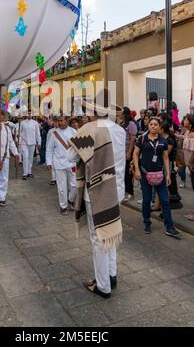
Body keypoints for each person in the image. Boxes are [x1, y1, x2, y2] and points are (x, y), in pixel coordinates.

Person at [68, 89, 126, 299]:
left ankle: (102, 285)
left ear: (93, 110)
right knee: (110, 232)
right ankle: (111, 275)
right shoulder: (120, 130)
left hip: (96, 190)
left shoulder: (89, 129)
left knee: (98, 237)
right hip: (116, 189)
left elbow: (70, 157)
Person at [133, 117, 180, 238]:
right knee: (147, 200)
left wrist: (168, 174)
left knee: (165, 201)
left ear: (159, 127)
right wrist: (137, 170)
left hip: (160, 175)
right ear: (148, 126)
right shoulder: (142, 139)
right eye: (151, 124)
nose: (153, 126)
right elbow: (136, 154)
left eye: (155, 125)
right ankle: (147, 222)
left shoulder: (163, 141)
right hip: (145, 174)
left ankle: (169, 227)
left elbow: (165, 157)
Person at [46, 116, 77, 215]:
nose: (60, 123)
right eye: (58, 121)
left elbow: (78, 147)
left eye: (62, 120)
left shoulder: (73, 132)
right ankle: (63, 206)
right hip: (59, 164)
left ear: (67, 121)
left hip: (72, 163)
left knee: (75, 185)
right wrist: (49, 162)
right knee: (62, 187)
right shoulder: (54, 133)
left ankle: (71, 200)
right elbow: (49, 149)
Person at [159, 121, 182, 209]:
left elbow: (166, 153)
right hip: (163, 162)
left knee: (171, 180)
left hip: (169, 163)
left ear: (162, 129)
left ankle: (174, 199)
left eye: (158, 127)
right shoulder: (161, 138)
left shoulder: (169, 140)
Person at [120, 107, 138, 202]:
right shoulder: (122, 123)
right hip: (121, 151)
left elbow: (133, 139)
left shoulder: (131, 124)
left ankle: (130, 192)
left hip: (128, 150)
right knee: (123, 172)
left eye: (121, 113)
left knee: (128, 172)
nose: (120, 114)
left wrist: (129, 152)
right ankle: (124, 191)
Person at [19, 110, 41, 180]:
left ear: (32, 115)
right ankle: (25, 173)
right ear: (26, 114)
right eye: (28, 113)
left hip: (32, 142)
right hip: (24, 142)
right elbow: (20, 132)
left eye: (30, 113)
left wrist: (39, 142)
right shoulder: (22, 123)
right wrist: (19, 141)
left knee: (30, 158)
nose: (29, 115)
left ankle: (29, 172)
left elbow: (37, 133)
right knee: (25, 157)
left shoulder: (35, 123)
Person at [46, 117, 58, 185]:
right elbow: (48, 141)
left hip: (59, 150)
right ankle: (54, 178)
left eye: (57, 122)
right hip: (52, 149)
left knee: (57, 164)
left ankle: (58, 178)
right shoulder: (50, 131)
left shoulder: (61, 130)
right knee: (53, 164)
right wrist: (48, 149)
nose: (56, 124)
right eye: (55, 122)